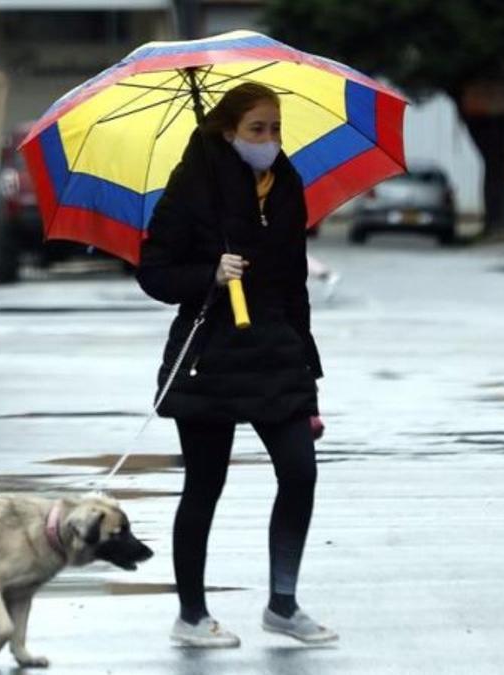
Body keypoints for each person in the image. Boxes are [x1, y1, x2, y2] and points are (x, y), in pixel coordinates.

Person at [136, 82, 337, 648]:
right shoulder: (194, 183)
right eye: (257, 129)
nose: (269, 140)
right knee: (205, 484)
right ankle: (192, 615)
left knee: (300, 472)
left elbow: (295, 283)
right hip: (210, 355)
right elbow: (153, 272)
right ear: (228, 131)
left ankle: (283, 603)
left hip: (276, 351)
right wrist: (209, 273)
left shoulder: (287, 183)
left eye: (275, 128)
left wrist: (310, 377)